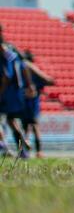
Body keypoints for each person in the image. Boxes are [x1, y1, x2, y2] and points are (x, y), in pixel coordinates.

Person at [0, 26, 36, 158]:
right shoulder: (12, 49)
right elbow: (24, 66)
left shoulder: (3, 50)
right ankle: (23, 150)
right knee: (11, 120)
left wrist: (1, 92)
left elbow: (6, 76)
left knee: (9, 120)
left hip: (8, 91)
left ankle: (4, 146)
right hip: (16, 91)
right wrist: (29, 84)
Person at [18, 52, 52, 158]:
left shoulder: (21, 72)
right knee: (34, 127)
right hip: (32, 105)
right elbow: (48, 82)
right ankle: (38, 151)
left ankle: (25, 150)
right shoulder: (34, 75)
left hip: (24, 103)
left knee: (25, 128)